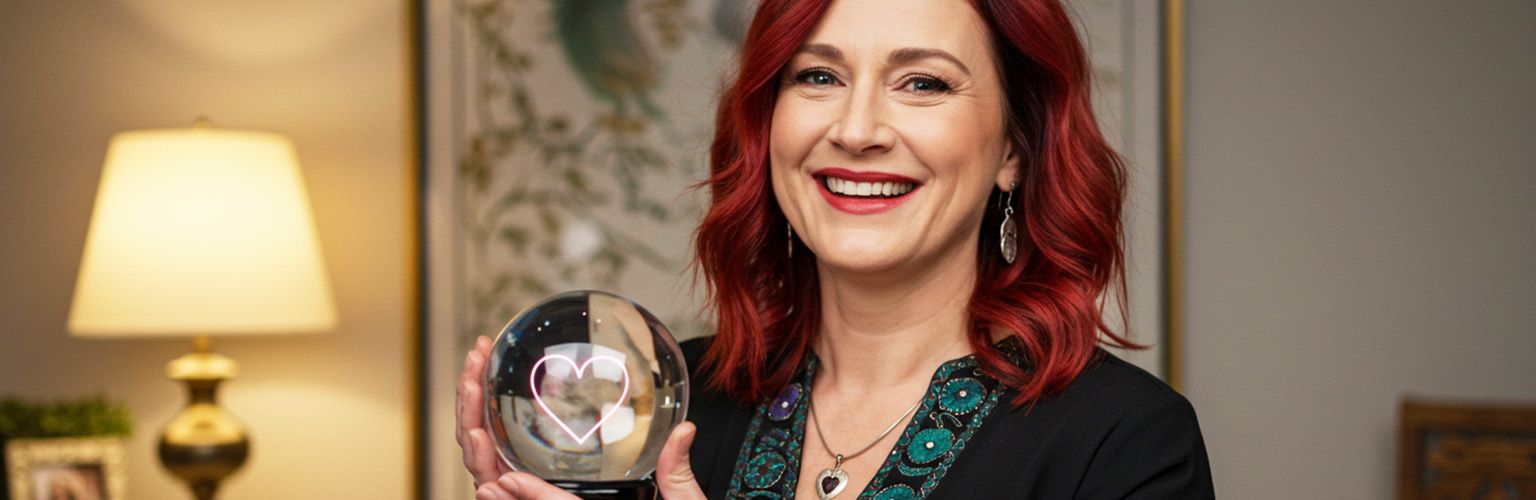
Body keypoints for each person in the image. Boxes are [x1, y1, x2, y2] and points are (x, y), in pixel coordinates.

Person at [458, 0, 1215, 498]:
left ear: (1015, 148)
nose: (856, 130)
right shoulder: (661, 406)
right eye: (818, 76)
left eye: (922, 84)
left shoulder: (1124, 443)